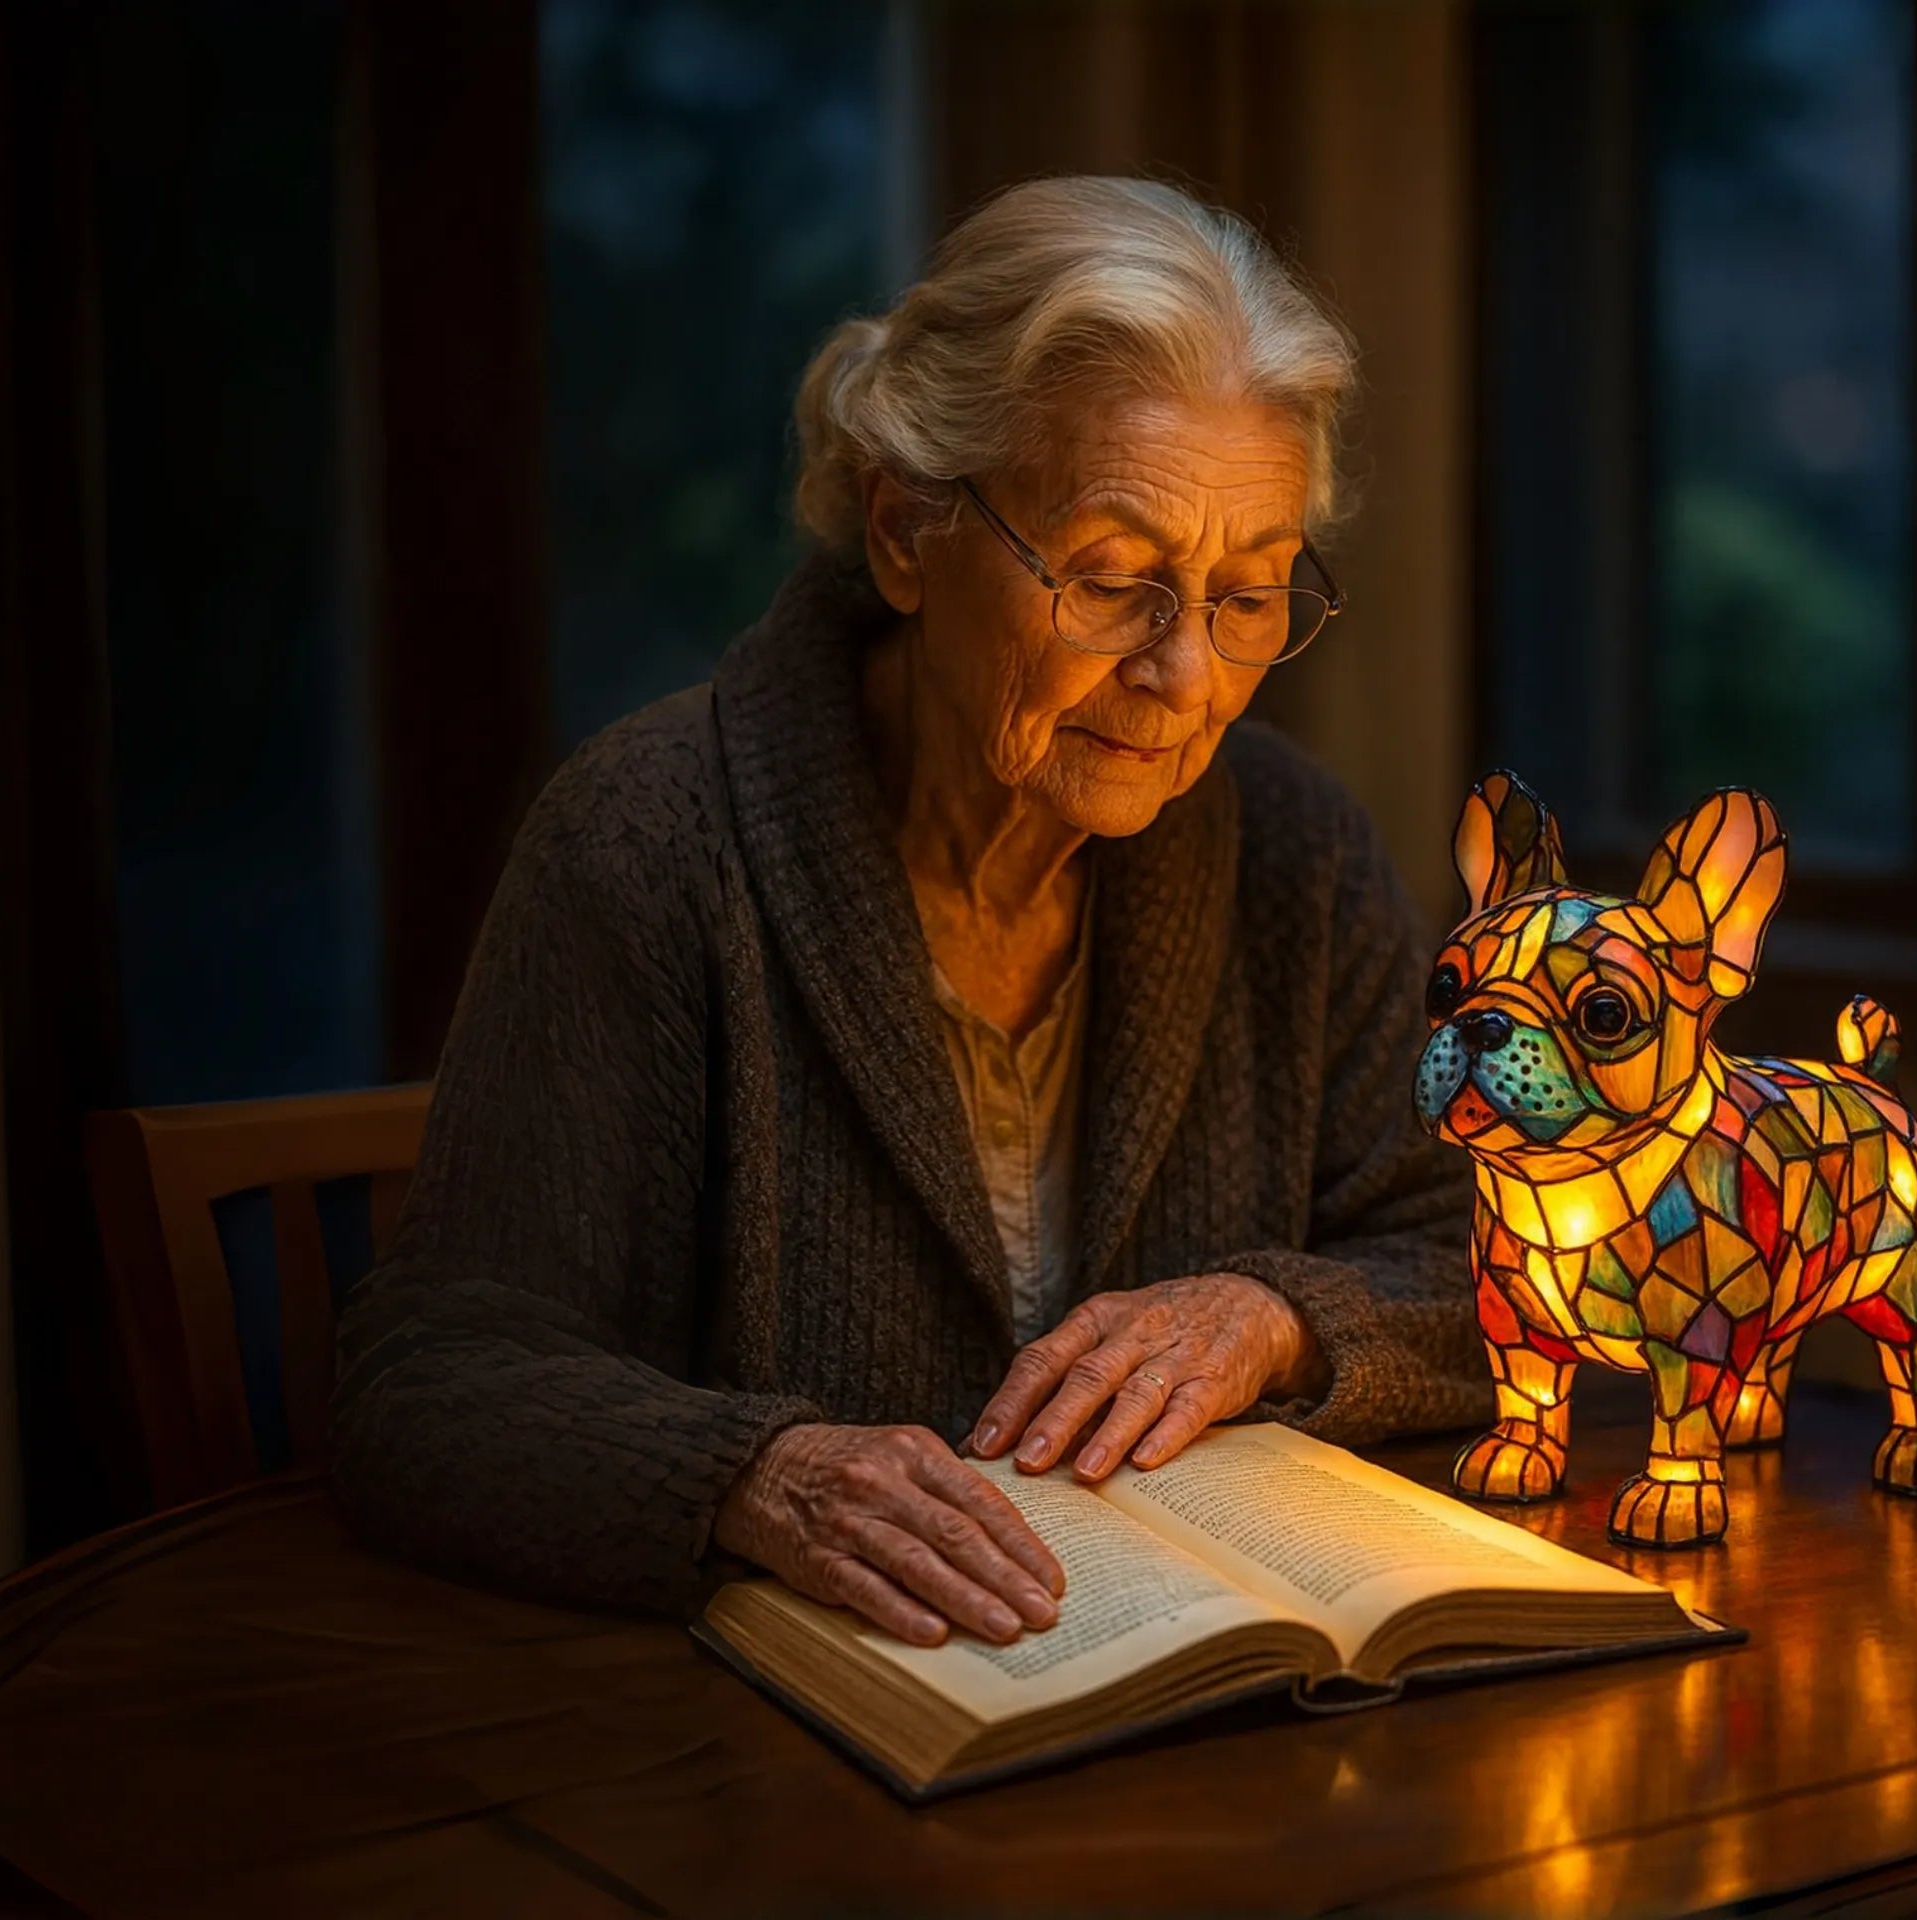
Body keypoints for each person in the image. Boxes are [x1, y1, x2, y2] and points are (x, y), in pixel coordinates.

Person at [331, 175, 1489, 1653]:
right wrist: (755, 1475)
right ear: (902, 531)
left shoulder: (1290, 846)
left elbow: (1478, 1263)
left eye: (1249, 593)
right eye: (1115, 578)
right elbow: (432, 1383)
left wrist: (1272, 1319)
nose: (1185, 674)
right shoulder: (652, 840)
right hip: (749, 1767)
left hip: (1192, 1728)